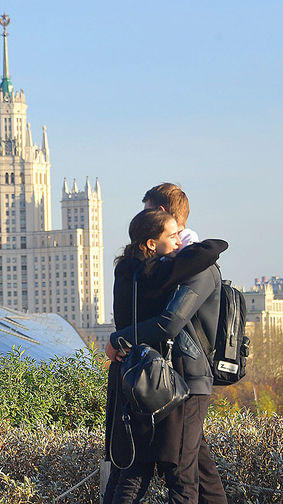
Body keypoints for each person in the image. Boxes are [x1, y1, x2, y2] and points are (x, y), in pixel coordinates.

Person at [102, 209, 228, 503]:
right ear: (150, 243)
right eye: (172, 235)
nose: (178, 241)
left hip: (131, 376)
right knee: (179, 472)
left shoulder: (126, 269)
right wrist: (200, 243)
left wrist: (116, 339)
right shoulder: (156, 273)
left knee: (134, 468)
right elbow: (211, 250)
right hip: (159, 380)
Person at [143, 183, 199, 248]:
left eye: (147, 213)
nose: (144, 220)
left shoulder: (188, 254)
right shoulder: (196, 248)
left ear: (161, 213)